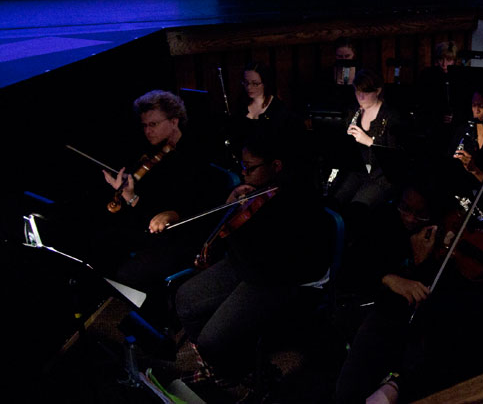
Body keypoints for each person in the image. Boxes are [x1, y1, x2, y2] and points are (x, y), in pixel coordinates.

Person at [334, 183, 483, 403]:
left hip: (430, 321)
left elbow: (439, 309)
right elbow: (351, 271)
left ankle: (398, 385)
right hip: (390, 311)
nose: (411, 219)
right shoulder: (386, 222)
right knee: (350, 386)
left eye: (421, 214)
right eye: (405, 208)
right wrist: (388, 278)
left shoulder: (445, 250)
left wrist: (423, 265)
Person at [175, 132, 331, 381]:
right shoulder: (262, 190)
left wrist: (236, 229)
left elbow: (264, 264)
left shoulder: (298, 200)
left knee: (212, 340)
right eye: (243, 167)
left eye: (250, 168)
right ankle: (220, 365)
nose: (243, 174)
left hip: (281, 277)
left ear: (276, 166)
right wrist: (231, 204)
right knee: (186, 299)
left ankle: (238, 371)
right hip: (251, 264)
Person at [96, 90, 218, 300]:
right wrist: (125, 195)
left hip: (179, 237)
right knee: (101, 246)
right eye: (144, 126)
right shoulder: (153, 156)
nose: (147, 131)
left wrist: (133, 199)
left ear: (174, 121)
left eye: (153, 124)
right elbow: (146, 209)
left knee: (127, 273)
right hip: (150, 230)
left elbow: (194, 205)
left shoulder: (195, 155)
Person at [331, 69, 405, 210]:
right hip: (357, 171)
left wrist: (369, 141)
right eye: (357, 91)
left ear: (377, 91)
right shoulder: (353, 112)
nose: (360, 97)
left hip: (381, 176)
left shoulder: (391, 117)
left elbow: (395, 159)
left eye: (365, 92)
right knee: (336, 200)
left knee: (358, 207)